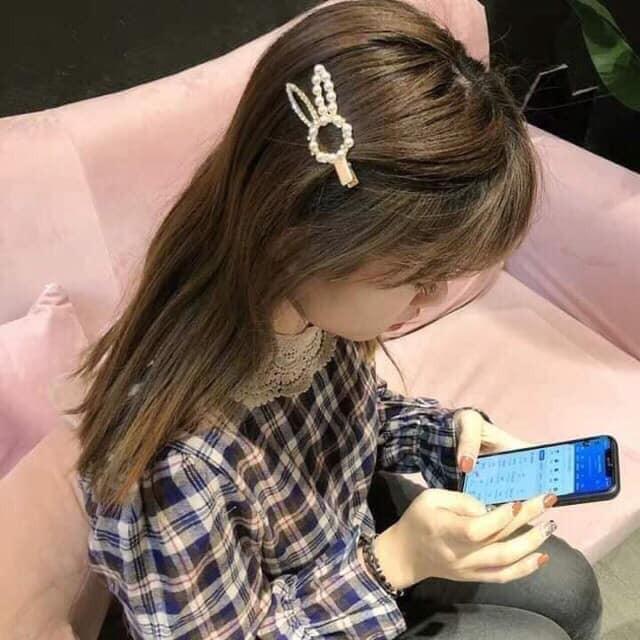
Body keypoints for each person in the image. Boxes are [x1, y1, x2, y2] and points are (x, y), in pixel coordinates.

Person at [55, 0, 603, 637]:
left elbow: (354, 422)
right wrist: (392, 562)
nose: (430, 298)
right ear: (306, 240)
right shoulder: (175, 468)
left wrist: (445, 436)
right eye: (417, 275)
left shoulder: (309, 316)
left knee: (568, 591)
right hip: (290, 609)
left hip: (343, 539)